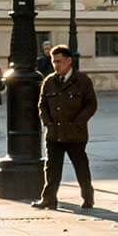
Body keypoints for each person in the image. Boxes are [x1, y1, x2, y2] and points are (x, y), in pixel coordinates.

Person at [33, 45, 98, 211]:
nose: (56, 65)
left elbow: (91, 105)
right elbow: (42, 105)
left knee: (80, 166)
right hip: (54, 133)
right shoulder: (49, 82)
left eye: (59, 61)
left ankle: (87, 197)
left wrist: (78, 123)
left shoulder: (82, 81)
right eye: (53, 61)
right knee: (52, 168)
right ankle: (48, 199)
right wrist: (47, 123)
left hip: (75, 134)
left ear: (69, 61)